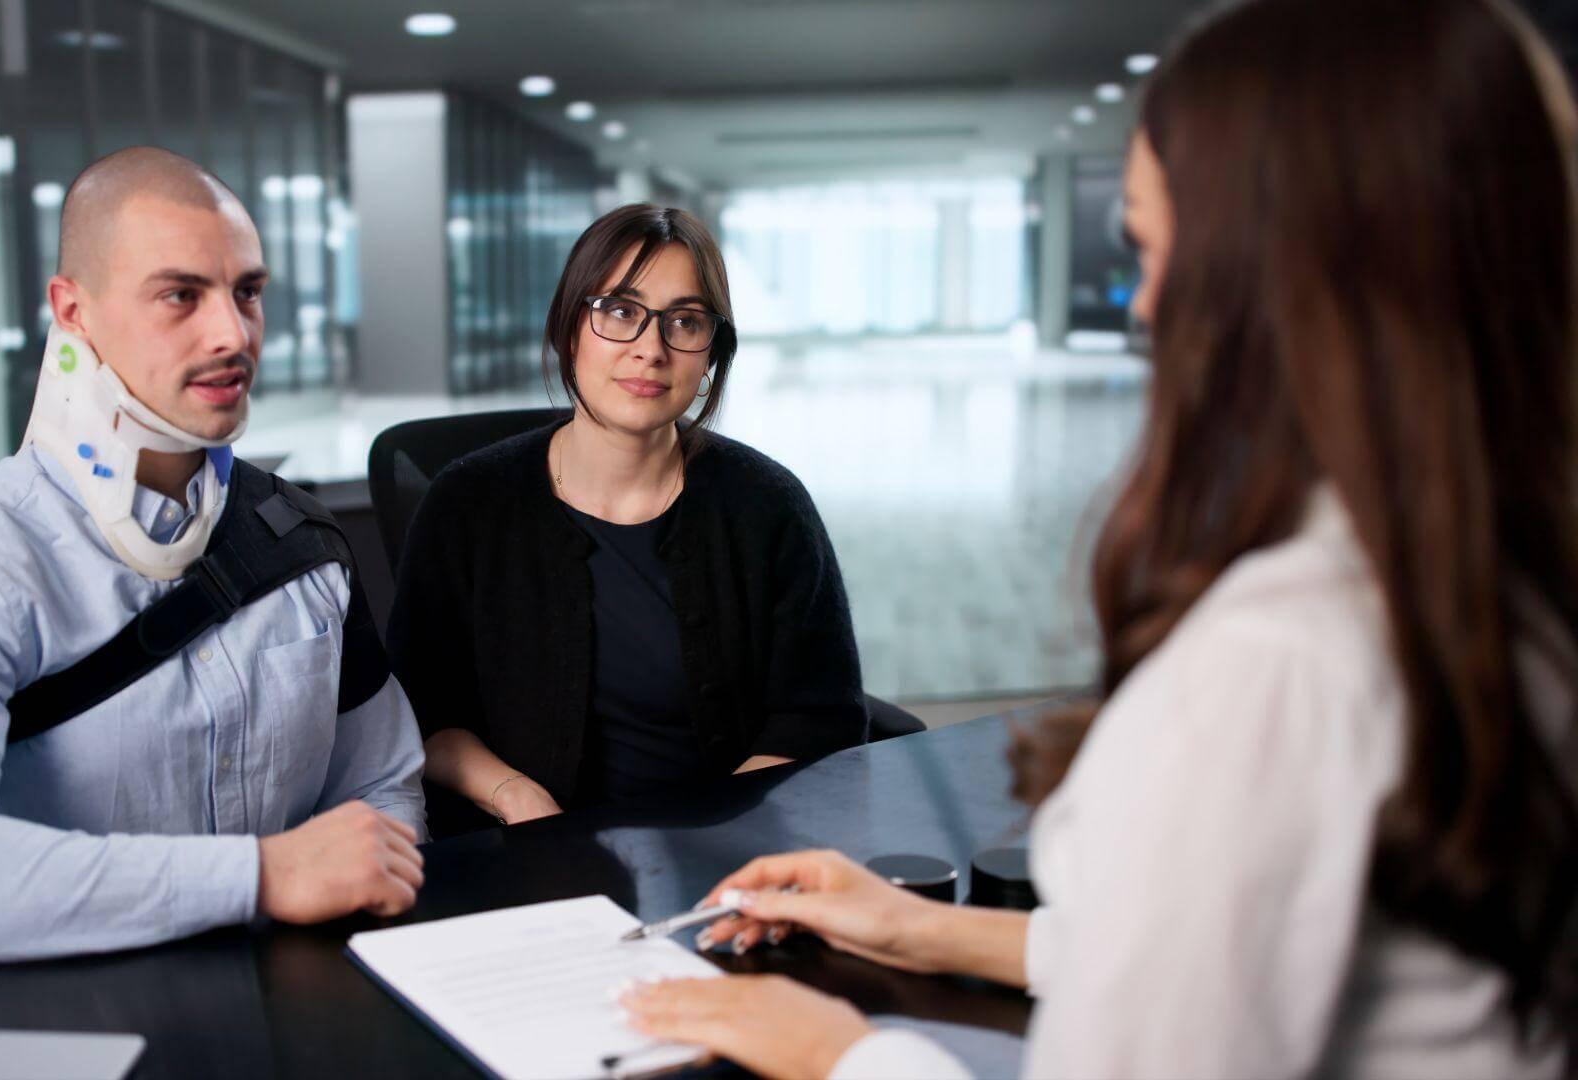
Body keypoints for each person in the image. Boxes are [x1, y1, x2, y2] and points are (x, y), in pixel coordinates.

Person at [616, 0, 1578, 1075]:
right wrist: (920, 924)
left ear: (1278, 277)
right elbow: (1220, 960)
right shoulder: (1499, 582)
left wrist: (837, 1052)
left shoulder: (1271, 665)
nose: (1141, 306)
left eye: (1157, 250)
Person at [0, 147, 426, 963]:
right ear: (72, 310)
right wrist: (254, 877)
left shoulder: (299, 541)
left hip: (300, 1003)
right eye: (181, 294)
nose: (233, 333)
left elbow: (383, 783)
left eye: (248, 292)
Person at [387, 204, 867, 829]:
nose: (651, 349)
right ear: (569, 327)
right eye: (620, 311)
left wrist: (716, 831)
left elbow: (820, 716)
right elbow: (418, 711)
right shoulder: (467, 504)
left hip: (721, 861)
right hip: (526, 857)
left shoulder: (767, 505)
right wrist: (516, 798)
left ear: (711, 356)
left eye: (686, 322)